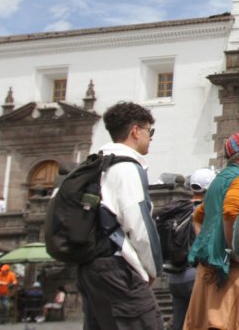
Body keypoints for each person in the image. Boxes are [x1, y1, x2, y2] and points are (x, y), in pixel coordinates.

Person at [77, 102, 163, 329]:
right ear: (136, 131)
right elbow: (139, 225)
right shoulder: (127, 168)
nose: (150, 137)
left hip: (90, 267)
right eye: (149, 131)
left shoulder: (95, 165)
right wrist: (152, 269)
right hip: (119, 268)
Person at [185, 131, 239, 330]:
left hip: (209, 268)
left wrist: (210, 246)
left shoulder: (219, 180)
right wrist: (235, 252)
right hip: (232, 273)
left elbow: (198, 218)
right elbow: (231, 212)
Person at [169, 168, 214, 330]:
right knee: (201, 323)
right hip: (196, 275)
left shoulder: (179, 210)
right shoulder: (205, 211)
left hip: (174, 277)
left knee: (179, 325)